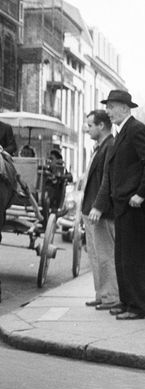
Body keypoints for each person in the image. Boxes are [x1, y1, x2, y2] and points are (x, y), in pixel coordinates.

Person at [90, 90, 145, 320]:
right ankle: (126, 301)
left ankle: (138, 306)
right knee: (122, 256)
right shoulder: (121, 132)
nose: (109, 112)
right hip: (121, 204)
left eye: (112, 107)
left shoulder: (136, 129)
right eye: (108, 107)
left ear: (125, 108)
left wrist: (141, 194)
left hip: (133, 205)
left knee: (133, 257)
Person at [81, 109, 118, 309]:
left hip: (100, 212)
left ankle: (110, 296)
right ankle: (101, 294)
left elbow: (107, 180)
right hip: (91, 211)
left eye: (90, 125)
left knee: (105, 256)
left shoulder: (110, 146)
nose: (87, 130)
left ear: (101, 126)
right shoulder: (100, 147)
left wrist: (98, 207)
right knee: (95, 256)